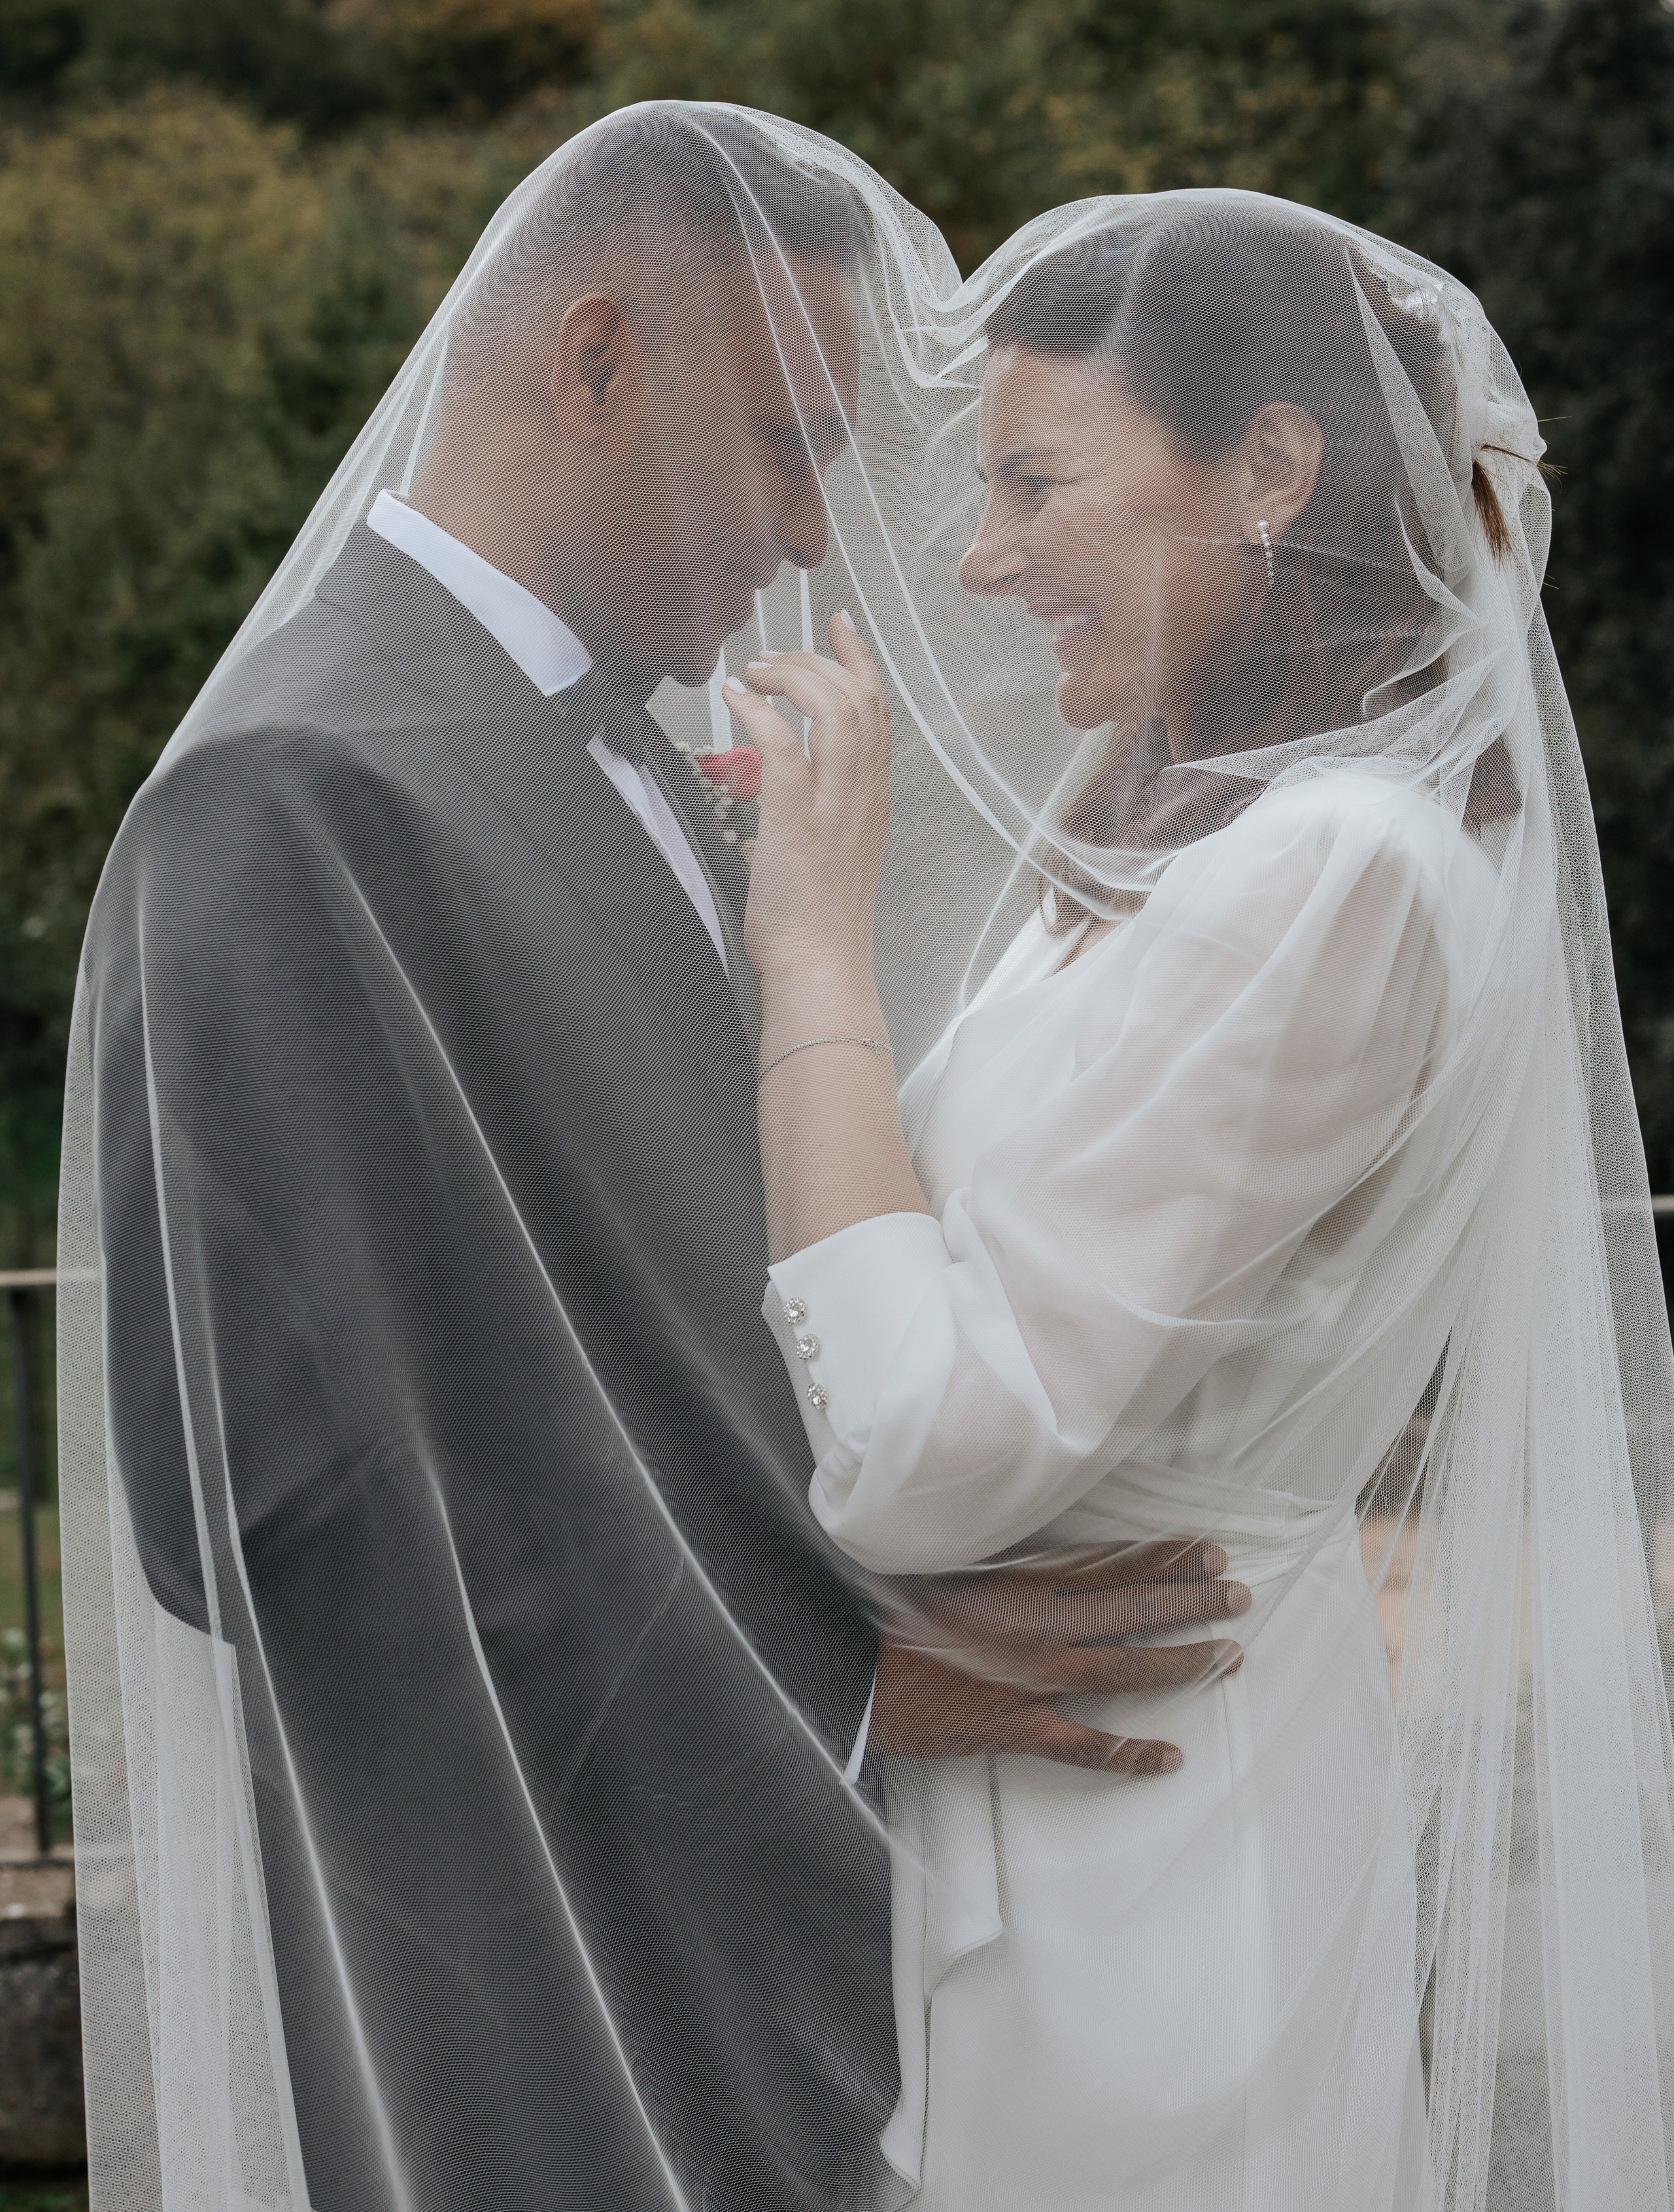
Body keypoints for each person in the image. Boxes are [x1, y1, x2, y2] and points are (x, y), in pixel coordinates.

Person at [58, 107, 1246, 2212]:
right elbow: (263, 1499)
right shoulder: (288, 796)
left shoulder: (650, 767)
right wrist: (838, 1680)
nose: (806, 532)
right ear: (595, 362)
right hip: (534, 2003)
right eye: (786, 445)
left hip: (790, 1975)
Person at [724, 195, 1674, 2209]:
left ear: (1270, 469)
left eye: (1036, 484)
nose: (980, 560)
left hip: (1144, 1876)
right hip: (1064, 1814)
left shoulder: (1331, 879)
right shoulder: (1181, 840)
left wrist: (810, 949)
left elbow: (921, 1450)